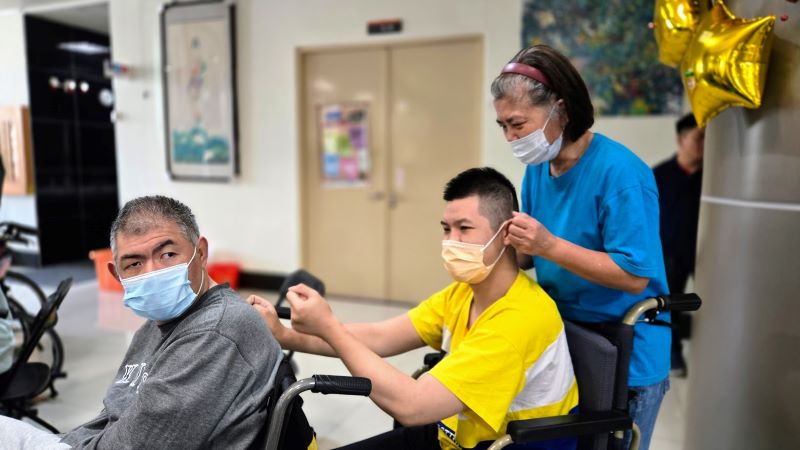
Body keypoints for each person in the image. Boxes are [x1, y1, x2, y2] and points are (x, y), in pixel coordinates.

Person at [249, 167, 579, 450]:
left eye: (464, 229)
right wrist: (286, 336)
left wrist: (330, 327)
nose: (450, 241)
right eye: (446, 229)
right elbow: (380, 336)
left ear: (506, 233)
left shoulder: (519, 318)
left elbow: (413, 406)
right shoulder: (464, 293)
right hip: (452, 436)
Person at [490, 45, 670, 450]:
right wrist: (483, 245)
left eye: (518, 124)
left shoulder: (621, 173)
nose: (511, 138)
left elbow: (633, 276)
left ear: (562, 109)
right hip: (567, 338)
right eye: (503, 126)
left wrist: (549, 244)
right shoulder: (539, 170)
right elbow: (529, 256)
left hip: (625, 349)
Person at [0, 195, 283, 449]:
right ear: (117, 275)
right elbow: (115, 413)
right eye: (134, 264)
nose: (153, 272)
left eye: (168, 255)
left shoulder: (216, 333)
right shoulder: (159, 324)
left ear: (201, 253)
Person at [652, 113, 704, 377]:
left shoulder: (712, 178)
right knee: (669, 304)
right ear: (681, 140)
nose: (704, 145)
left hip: (705, 253)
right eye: (699, 138)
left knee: (710, 302)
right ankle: (672, 353)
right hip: (669, 253)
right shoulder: (659, 176)